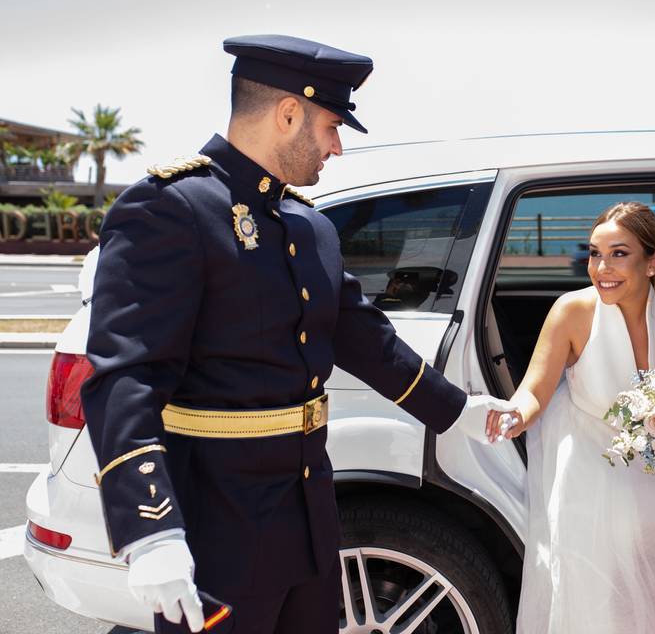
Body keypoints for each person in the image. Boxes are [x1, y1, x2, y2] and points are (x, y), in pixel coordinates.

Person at [80, 35, 515, 634]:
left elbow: (366, 339)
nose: (338, 148)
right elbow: (125, 379)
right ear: (288, 113)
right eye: (334, 126)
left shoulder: (307, 226)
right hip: (216, 525)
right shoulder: (170, 209)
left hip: (308, 514)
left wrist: (457, 410)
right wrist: (151, 527)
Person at [487, 202, 655, 632]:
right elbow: (534, 390)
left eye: (619, 254)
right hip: (594, 460)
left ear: (652, 261)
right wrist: (513, 416)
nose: (602, 267)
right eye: (594, 253)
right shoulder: (572, 311)